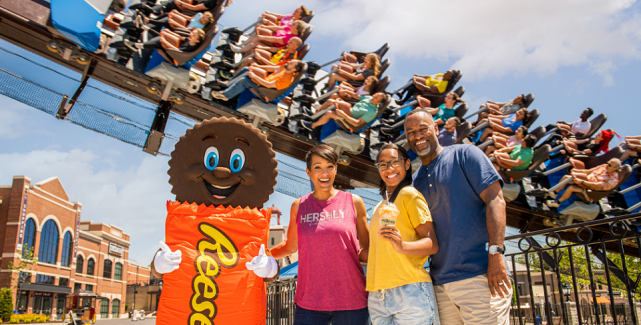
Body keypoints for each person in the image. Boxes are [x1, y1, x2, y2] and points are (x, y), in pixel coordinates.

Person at [404, 108, 512, 325]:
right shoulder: (414, 182)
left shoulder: (465, 154)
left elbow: (496, 200)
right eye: (411, 132)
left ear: (436, 129)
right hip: (440, 284)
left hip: (481, 276)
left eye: (423, 129)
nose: (417, 136)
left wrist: (496, 254)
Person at [270, 145, 370, 325]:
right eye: (317, 167)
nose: (324, 173)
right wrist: (263, 256)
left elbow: (368, 248)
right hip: (309, 303)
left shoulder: (354, 202)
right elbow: (290, 246)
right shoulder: (298, 206)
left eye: (329, 166)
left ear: (336, 169)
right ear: (309, 172)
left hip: (352, 301)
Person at [366, 143, 440, 324]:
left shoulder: (409, 195)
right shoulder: (380, 206)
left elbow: (432, 243)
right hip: (378, 294)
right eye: (382, 164)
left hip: (409, 290)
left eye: (394, 162)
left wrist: (402, 245)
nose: (389, 168)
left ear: (407, 164)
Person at [211, 60, 304, 101]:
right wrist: (257, 66)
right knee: (246, 69)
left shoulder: (287, 80)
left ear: (294, 70)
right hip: (262, 81)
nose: (288, 62)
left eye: (291, 63)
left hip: (264, 91)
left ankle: (225, 95)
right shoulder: (285, 67)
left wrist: (254, 76)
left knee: (244, 80)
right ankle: (227, 83)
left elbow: (268, 85)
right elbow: (271, 68)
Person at [546, 158, 622, 208]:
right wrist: (577, 171)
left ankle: (557, 202)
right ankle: (554, 193)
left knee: (571, 188)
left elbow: (596, 185)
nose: (607, 165)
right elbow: (589, 171)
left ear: (615, 168)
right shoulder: (605, 166)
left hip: (591, 191)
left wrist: (582, 181)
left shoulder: (613, 180)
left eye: (609, 165)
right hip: (585, 181)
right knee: (567, 177)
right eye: (608, 162)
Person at [299, 93, 386, 131]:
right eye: (374, 95)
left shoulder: (372, 112)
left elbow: (357, 123)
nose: (372, 97)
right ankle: (313, 116)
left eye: (375, 98)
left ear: (378, 103)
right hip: (348, 111)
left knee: (329, 113)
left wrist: (343, 115)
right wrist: (347, 91)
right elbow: (357, 97)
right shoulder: (369, 98)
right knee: (330, 102)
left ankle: (311, 126)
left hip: (349, 121)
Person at [231, 20, 309, 54]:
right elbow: (277, 28)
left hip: (273, 44)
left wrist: (262, 37)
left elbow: (275, 40)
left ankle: (240, 49)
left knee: (258, 38)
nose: (291, 24)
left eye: (293, 24)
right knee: (260, 27)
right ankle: (244, 46)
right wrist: (265, 26)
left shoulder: (291, 38)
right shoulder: (289, 28)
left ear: (296, 29)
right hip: (273, 36)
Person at [233, 37, 302, 74]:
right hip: (270, 60)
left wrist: (261, 58)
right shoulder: (287, 48)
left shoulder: (290, 59)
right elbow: (275, 49)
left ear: (295, 47)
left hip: (270, 68)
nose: (288, 42)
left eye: (290, 42)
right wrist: (261, 47)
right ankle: (237, 67)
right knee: (252, 51)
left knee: (249, 60)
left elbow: (274, 67)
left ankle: (233, 75)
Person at [313, 76, 378, 112]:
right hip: (349, 96)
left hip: (350, 101)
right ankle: (323, 105)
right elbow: (354, 89)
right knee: (336, 91)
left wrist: (347, 93)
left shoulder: (367, 94)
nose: (366, 81)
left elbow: (357, 98)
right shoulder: (363, 86)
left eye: (368, 81)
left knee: (335, 95)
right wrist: (347, 84)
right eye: (366, 79)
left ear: (371, 85)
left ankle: (321, 108)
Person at [112, 27, 205, 52]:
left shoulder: (189, 47)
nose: (190, 34)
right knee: (163, 35)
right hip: (176, 45)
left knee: (160, 42)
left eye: (193, 35)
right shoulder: (190, 39)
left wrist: (164, 41)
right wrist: (169, 33)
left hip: (175, 53)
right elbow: (180, 38)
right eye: (192, 33)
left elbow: (177, 51)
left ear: (197, 40)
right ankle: (146, 28)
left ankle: (136, 46)